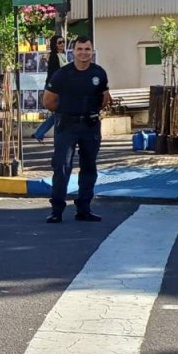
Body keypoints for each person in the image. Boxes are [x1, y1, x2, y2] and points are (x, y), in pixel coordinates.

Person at [43, 36, 110, 224]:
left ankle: (84, 209)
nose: (83, 53)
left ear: (92, 51)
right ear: (73, 52)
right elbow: (48, 101)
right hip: (67, 126)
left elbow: (105, 97)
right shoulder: (62, 74)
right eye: (80, 49)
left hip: (90, 126)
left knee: (89, 167)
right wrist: (68, 112)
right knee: (62, 167)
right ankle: (57, 210)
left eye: (87, 49)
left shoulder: (99, 73)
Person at [32, 35, 68, 143]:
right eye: (59, 42)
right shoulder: (54, 57)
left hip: (61, 88)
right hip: (55, 89)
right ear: (54, 45)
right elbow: (54, 75)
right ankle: (56, 137)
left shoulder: (63, 55)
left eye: (63, 42)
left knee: (59, 113)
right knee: (59, 113)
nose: (62, 44)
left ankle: (40, 133)